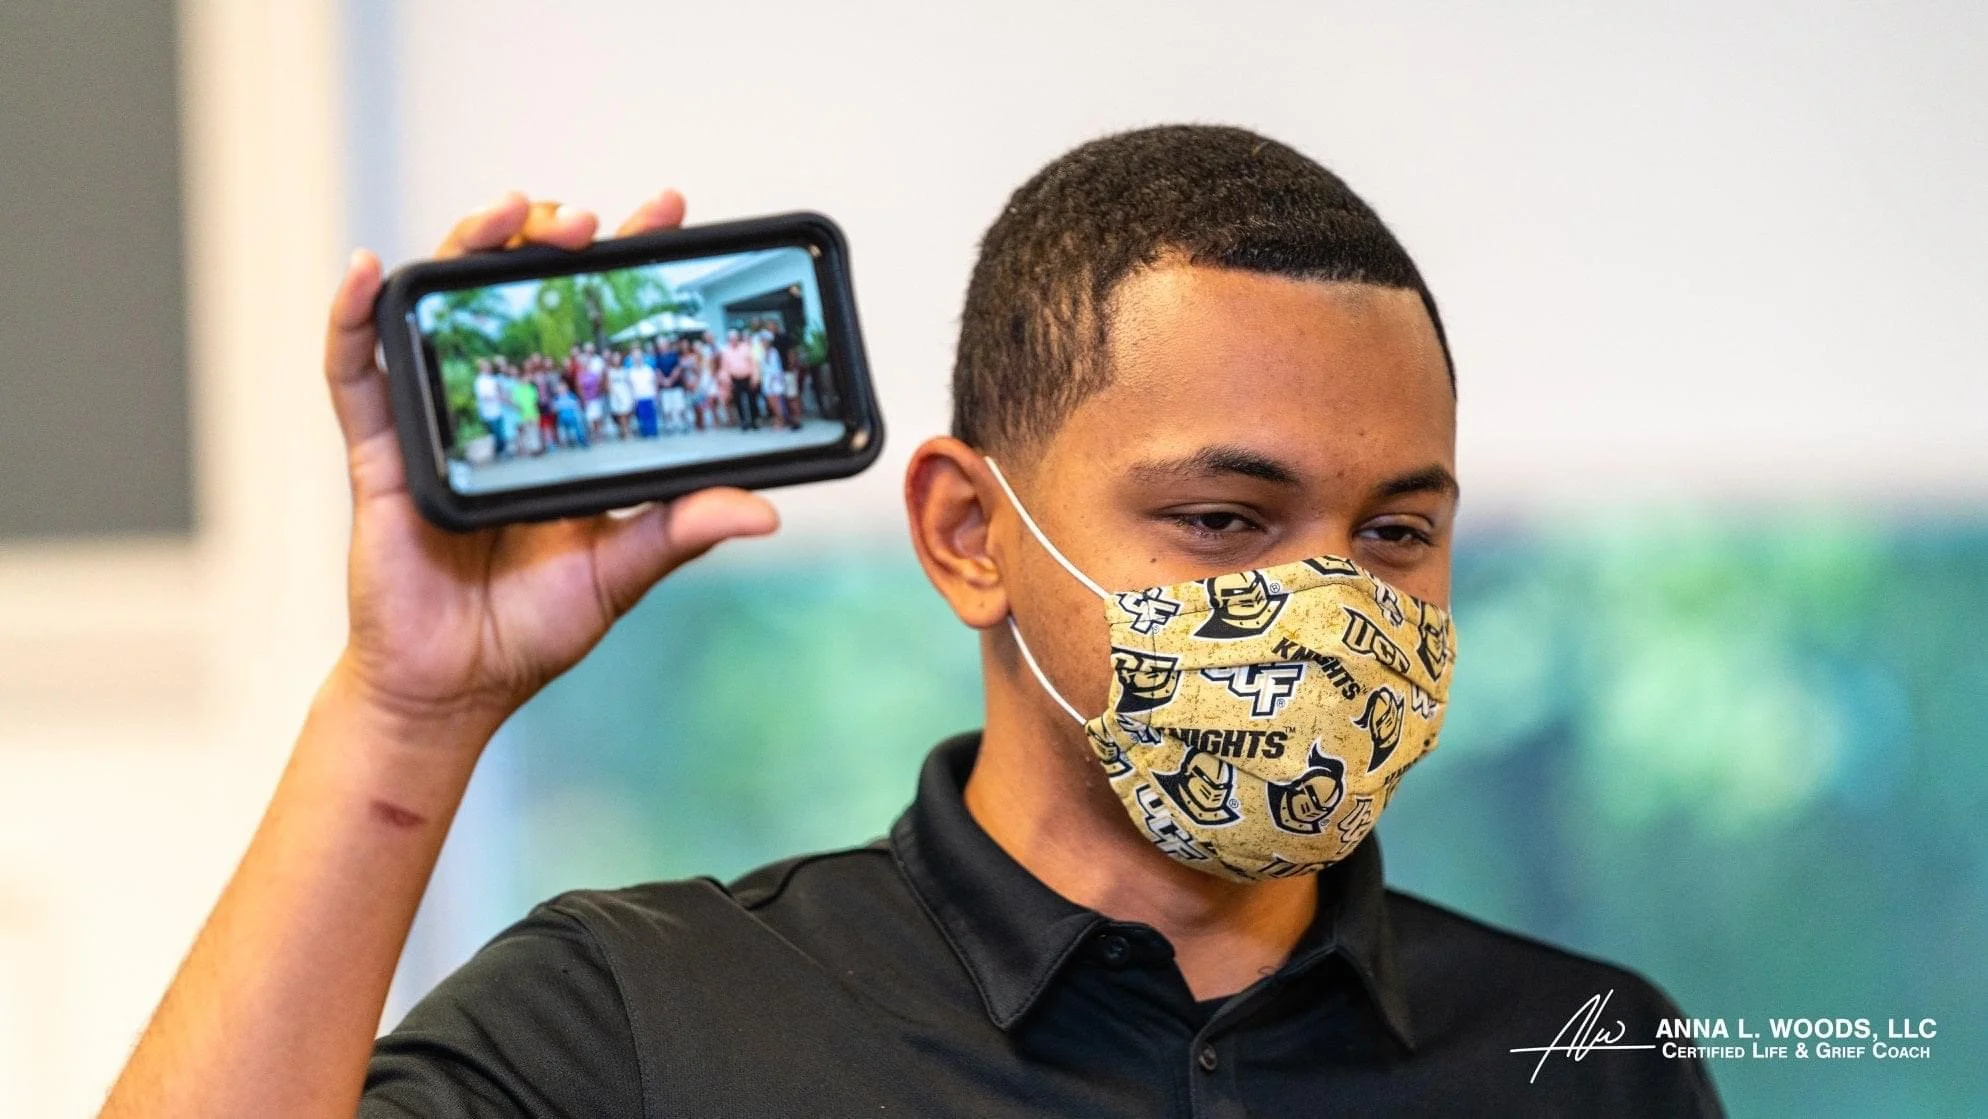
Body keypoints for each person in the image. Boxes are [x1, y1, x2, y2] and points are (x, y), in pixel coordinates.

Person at [103, 132, 1723, 1118]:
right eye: (1224, 519)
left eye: (1395, 531)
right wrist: (405, 712)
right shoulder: (644, 1022)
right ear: (968, 531)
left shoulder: (1581, 1054)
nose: (1328, 604)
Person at [719, 327, 760, 430]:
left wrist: (755, 378)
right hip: (735, 380)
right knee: (738, 402)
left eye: (735, 338)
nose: (733, 340)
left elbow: (753, 364)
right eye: (731, 338)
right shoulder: (726, 351)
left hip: (748, 377)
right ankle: (743, 422)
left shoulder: (746, 347)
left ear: (738, 338)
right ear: (729, 339)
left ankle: (754, 421)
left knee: (752, 400)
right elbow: (724, 368)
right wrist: (728, 381)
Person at [470, 358, 505, 457]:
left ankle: (501, 450)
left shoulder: (492, 379)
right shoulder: (480, 381)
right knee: (496, 433)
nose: (489, 369)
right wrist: (494, 396)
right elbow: (483, 396)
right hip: (489, 411)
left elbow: (499, 391)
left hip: (498, 409)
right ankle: (499, 452)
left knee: (500, 432)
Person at [628, 343, 660, 438]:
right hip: (638, 396)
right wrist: (632, 398)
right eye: (635, 358)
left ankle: (653, 432)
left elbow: (654, 382)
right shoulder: (631, 371)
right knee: (642, 416)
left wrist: (656, 394)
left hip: (649, 395)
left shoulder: (648, 369)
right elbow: (631, 386)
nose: (637, 360)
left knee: (651, 415)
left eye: (639, 358)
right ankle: (645, 433)